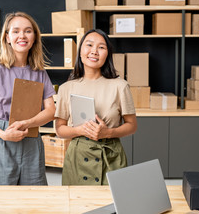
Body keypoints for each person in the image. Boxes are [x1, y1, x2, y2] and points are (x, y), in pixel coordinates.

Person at [0, 12, 56, 185]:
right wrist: (3, 134)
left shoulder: (40, 72)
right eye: (16, 31)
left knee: (33, 200)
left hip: (31, 141)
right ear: (7, 37)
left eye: (28, 31)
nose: (22, 36)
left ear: (34, 38)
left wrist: (27, 123)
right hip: (1, 141)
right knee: (0, 201)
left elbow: (51, 111)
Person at [55, 29, 137, 185]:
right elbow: (59, 129)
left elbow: (132, 126)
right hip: (78, 158)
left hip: (111, 156)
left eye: (101, 47)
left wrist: (108, 132)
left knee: (112, 206)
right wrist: (80, 130)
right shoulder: (67, 88)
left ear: (107, 55)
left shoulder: (120, 86)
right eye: (89, 45)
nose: (94, 51)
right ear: (80, 52)